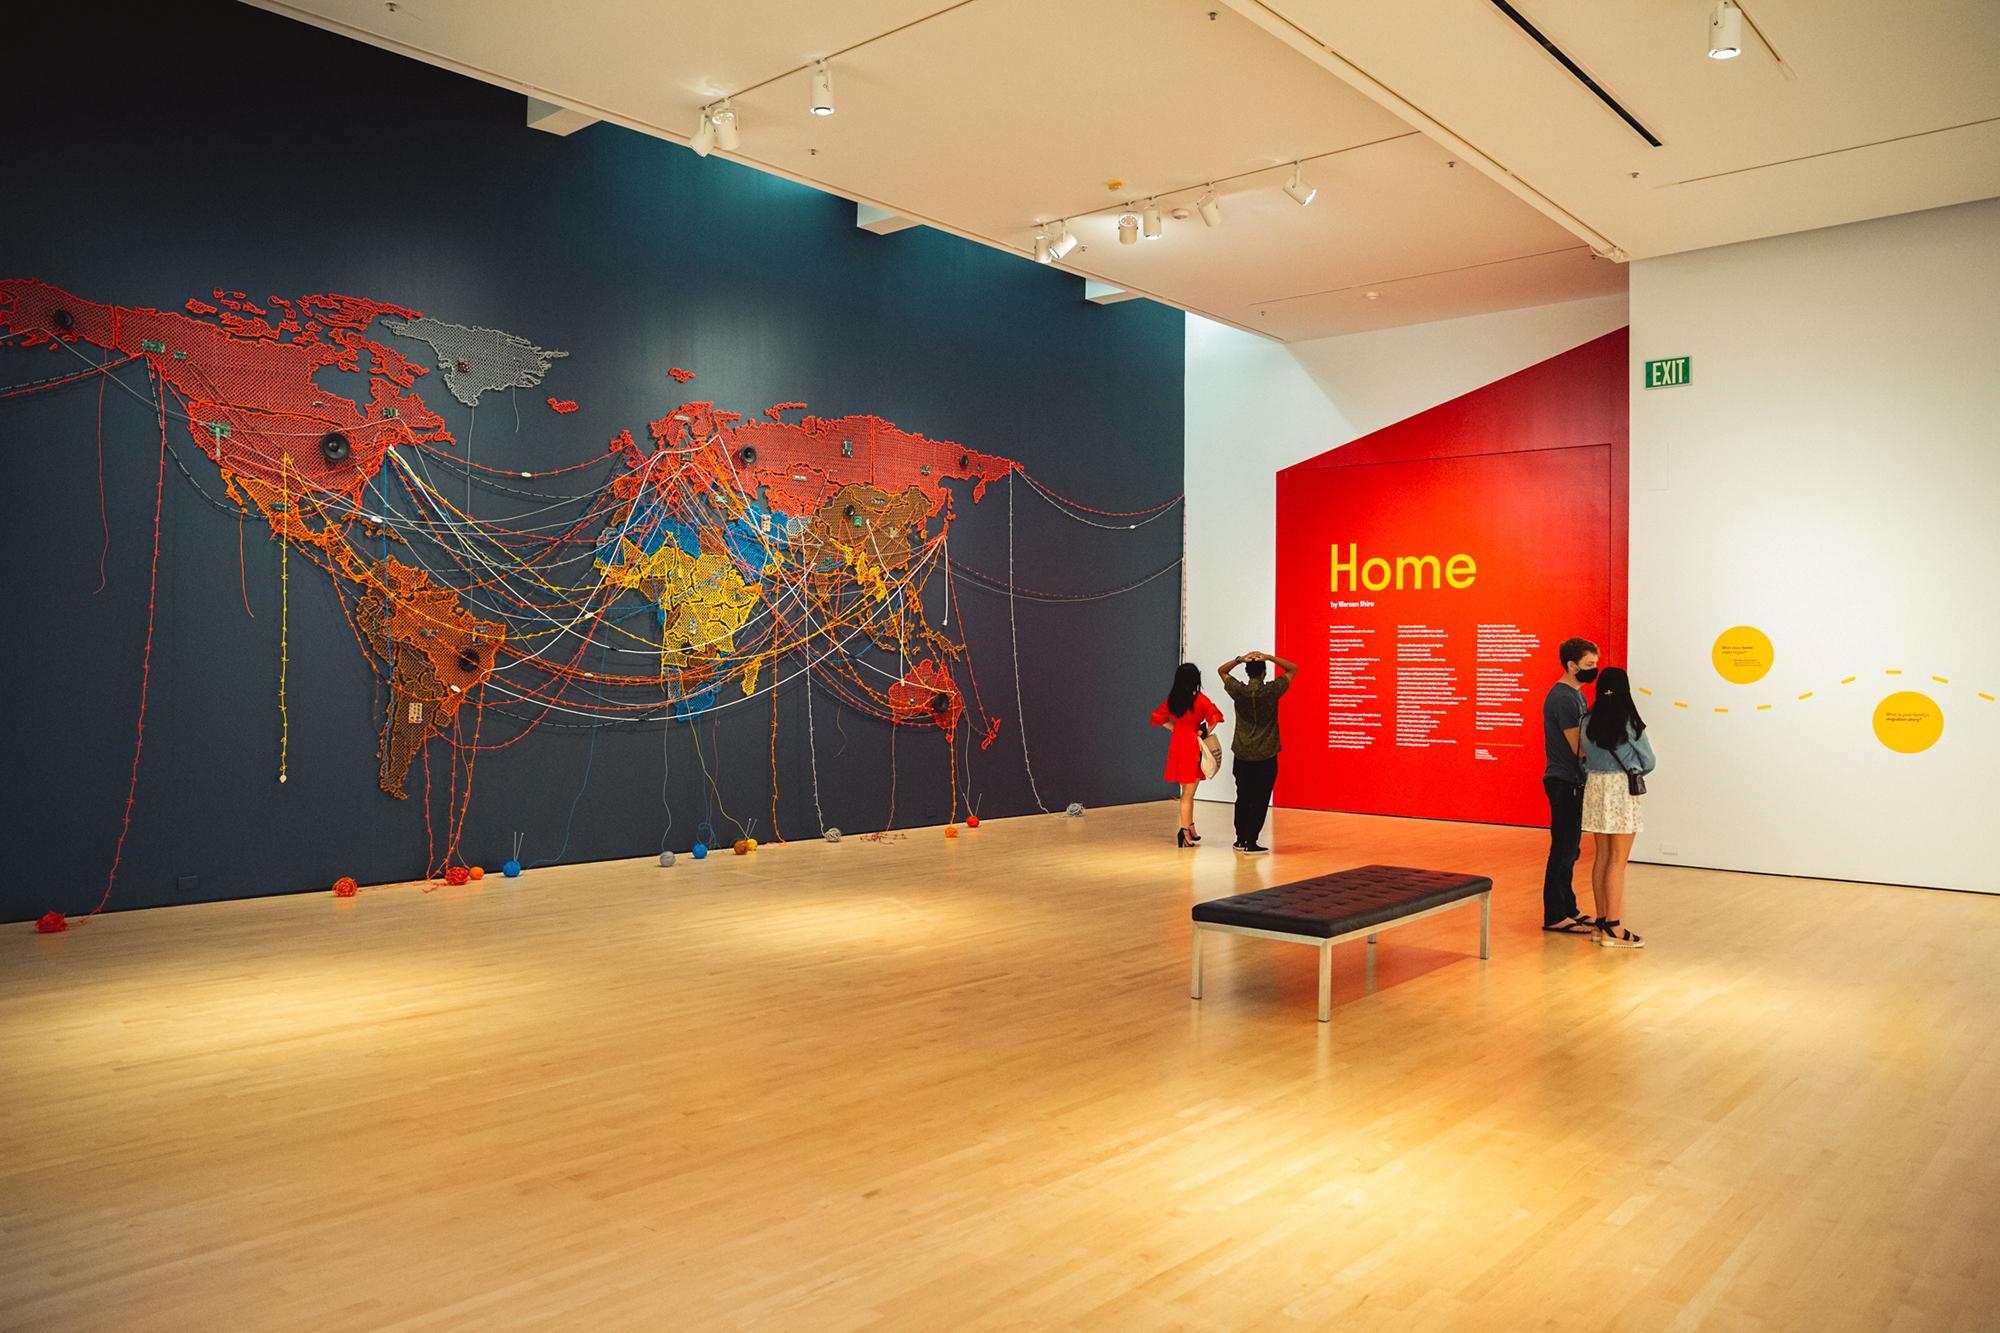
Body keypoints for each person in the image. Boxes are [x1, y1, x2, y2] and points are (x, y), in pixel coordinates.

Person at [1581, 666, 1655, 948]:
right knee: (1618, 860)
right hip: (1620, 791)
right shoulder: (1628, 720)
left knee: (1601, 857)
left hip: (1596, 787)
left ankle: (1601, 923)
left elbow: (1583, 756)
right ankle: (1614, 926)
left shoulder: (1587, 719)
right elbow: (1649, 761)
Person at [1540, 637, 1599, 935]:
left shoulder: (1576, 695)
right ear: (1571, 665)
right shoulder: (1563, 698)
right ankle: (1554, 915)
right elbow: (1579, 746)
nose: (1593, 670)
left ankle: (1569, 909)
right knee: (1563, 848)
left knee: (1570, 848)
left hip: (1572, 780)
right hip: (1564, 781)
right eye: (1589, 665)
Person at [1217, 650, 1296, 854]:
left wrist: (1238, 659)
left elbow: (1221, 671)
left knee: (1243, 796)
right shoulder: (1271, 691)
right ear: (1264, 673)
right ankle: (1252, 841)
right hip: (1265, 754)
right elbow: (1292, 669)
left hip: (1242, 752)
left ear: (1247, 673)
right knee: (1260, 799)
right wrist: (1269, 657)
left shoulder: (1239, 691)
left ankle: (1240, 838)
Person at [1150, 662, 1223, 847]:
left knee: (1187, 791)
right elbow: (1215, 716)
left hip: (1178, 744)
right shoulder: (1199, 699)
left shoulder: (1173, 699)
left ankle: (1189, 826)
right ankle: (1184, 832)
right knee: (1189, 793)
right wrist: (1203, 732)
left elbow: (1158, 717)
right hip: (1192, 745)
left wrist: (1176, 729)